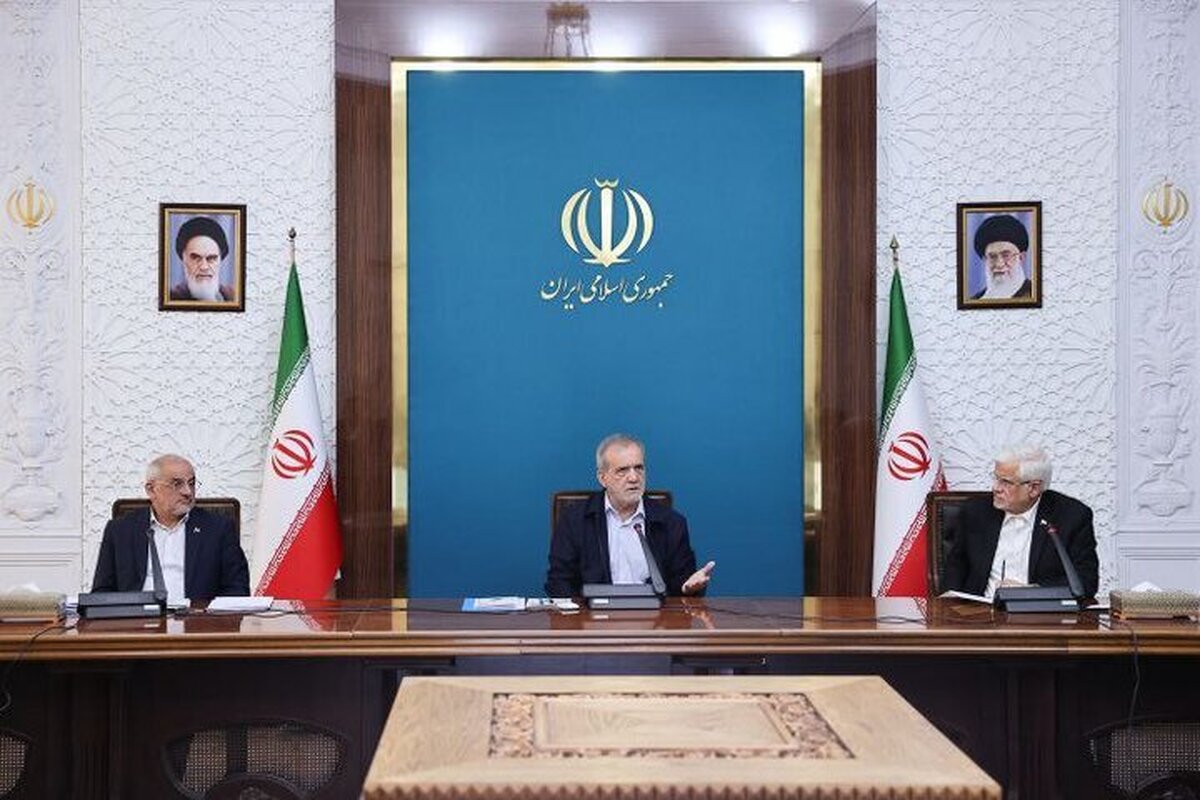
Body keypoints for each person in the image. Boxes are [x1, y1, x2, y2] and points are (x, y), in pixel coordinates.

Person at [545, 433, 715, 597]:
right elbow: (559, 583)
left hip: (655, 615)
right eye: (622, 470)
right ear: (602, 478)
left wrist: (688, 588)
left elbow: (682, 583)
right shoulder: (573, 521)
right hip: (594, 614)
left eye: (639, 468)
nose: (634, 478)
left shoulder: (671, 522)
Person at [941, 445, 1098, 598]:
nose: (995, 488)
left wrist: (1031, 591)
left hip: (1039, 611)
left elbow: (1085, 581)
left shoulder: (1071, 517)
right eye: (996, 478)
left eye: (1005, 482)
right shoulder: (976, 512)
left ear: (1034, 488)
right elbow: (955, 570)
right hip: (982, 610)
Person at [91, 454, 250, 602]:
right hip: (137, 619)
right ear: (151, 489)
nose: (188, 492)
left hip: (195, 619)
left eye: (191, 483)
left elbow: (237, 590)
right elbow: (101, 593)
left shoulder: (218, 529)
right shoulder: (120, 530)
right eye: (177, 484)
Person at [170, 216, 236, 302]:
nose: (204, 267)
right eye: (195, 258)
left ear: (220, 261)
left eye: (211, 258)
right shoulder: (172, 298)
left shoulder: (233, 297)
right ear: (184, 260)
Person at [970, 214, 1032, 300]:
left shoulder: (1035, 294)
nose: (999, 264)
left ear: (1021, 257)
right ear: (985, 260)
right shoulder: (975, 301)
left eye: (1006, 255)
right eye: (992, 257)